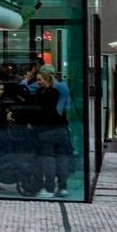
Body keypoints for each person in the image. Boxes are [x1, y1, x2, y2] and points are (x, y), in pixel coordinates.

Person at [31, 69, 72, 197]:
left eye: (40, 80)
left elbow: (40, 112)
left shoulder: (43, 93)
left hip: (47, 130)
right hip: (61, 129)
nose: (37, 82)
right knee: (61, 159)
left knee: (48, 161)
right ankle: (63, 187)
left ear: (47, 79)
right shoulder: (58, 91)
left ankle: (49, 189)